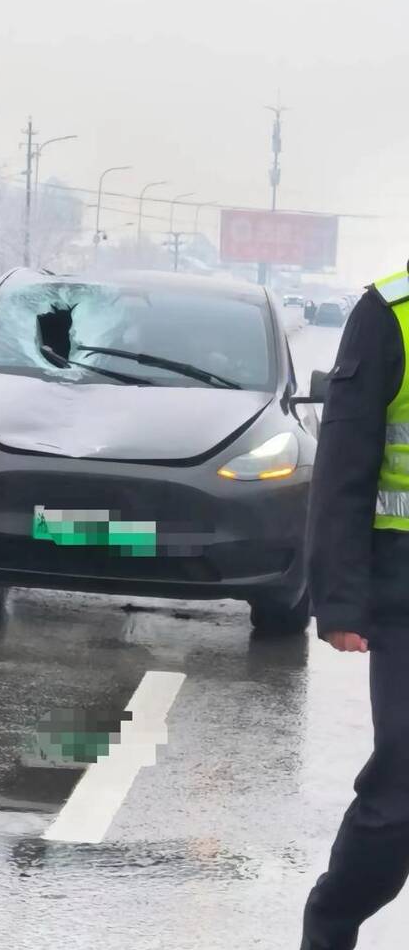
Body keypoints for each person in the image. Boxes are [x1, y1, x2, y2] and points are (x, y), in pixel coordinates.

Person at [300, 263, 409, 949]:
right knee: (400, 794)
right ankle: (334, 918)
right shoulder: (389, 313)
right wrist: (340, 599)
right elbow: (345, 462)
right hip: (405, 595)